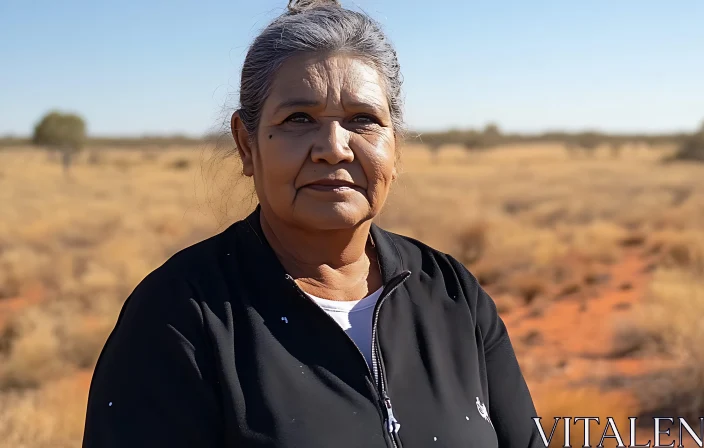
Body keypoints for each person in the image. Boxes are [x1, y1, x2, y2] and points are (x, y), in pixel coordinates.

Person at [82, 1, 545, 446]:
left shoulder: (451, 294)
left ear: (395, 146)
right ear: (247, 144)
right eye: (299, 118)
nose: (334, 147)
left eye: (363, 120)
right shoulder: (181, 316)